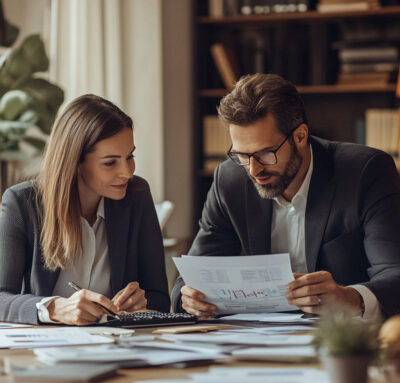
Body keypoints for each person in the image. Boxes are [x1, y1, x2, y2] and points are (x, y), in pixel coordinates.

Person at [172, 73, 400, 321]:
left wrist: (349, 298)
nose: (253, 169)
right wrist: (189, 299)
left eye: (265, 153)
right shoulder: (230, 180)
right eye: (242, 155)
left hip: (345, 338)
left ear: (300, 136)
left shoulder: (365, 171)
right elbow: (190, 277)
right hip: (258, 341)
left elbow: (394, 275)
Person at [0, 94, 170, 325]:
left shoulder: (136, 195)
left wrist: (141, 303)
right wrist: (54, 308)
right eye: (110, 162)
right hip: (44, 349)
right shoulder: (21, 203)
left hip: (117, 345)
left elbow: (159, 297)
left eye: (129, 156)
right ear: (75, 162)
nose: (127, 172)